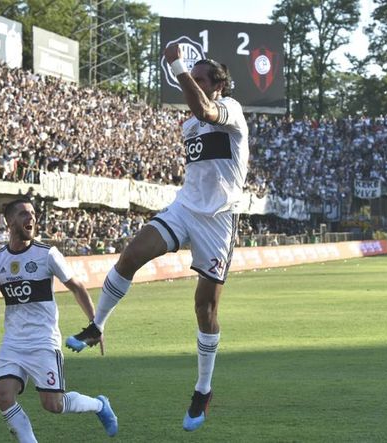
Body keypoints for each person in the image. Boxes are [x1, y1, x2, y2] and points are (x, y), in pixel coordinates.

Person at [66, 44, 249, 432]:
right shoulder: (188, 127)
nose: (192, 85)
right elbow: (196, 119)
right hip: (184, 209)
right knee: (131, 254)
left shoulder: (230, 111)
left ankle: (203, 389)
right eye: (191, 79)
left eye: (200, 80)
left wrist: (177, 64)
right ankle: (97, 325)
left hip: (218, 220)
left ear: (218, 85)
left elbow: (205, 110)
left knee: (205, 309)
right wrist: (184, 73)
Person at [0, 198, 118, 442]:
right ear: (9, 221)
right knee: (3, 397)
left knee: (54, 404)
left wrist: (95, 325)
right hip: (13, 343)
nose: (31, 218)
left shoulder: (47, 255)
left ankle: (99, 405)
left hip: (43, 341)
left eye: (33, 214)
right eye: (24, 214)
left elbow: (77, 287)